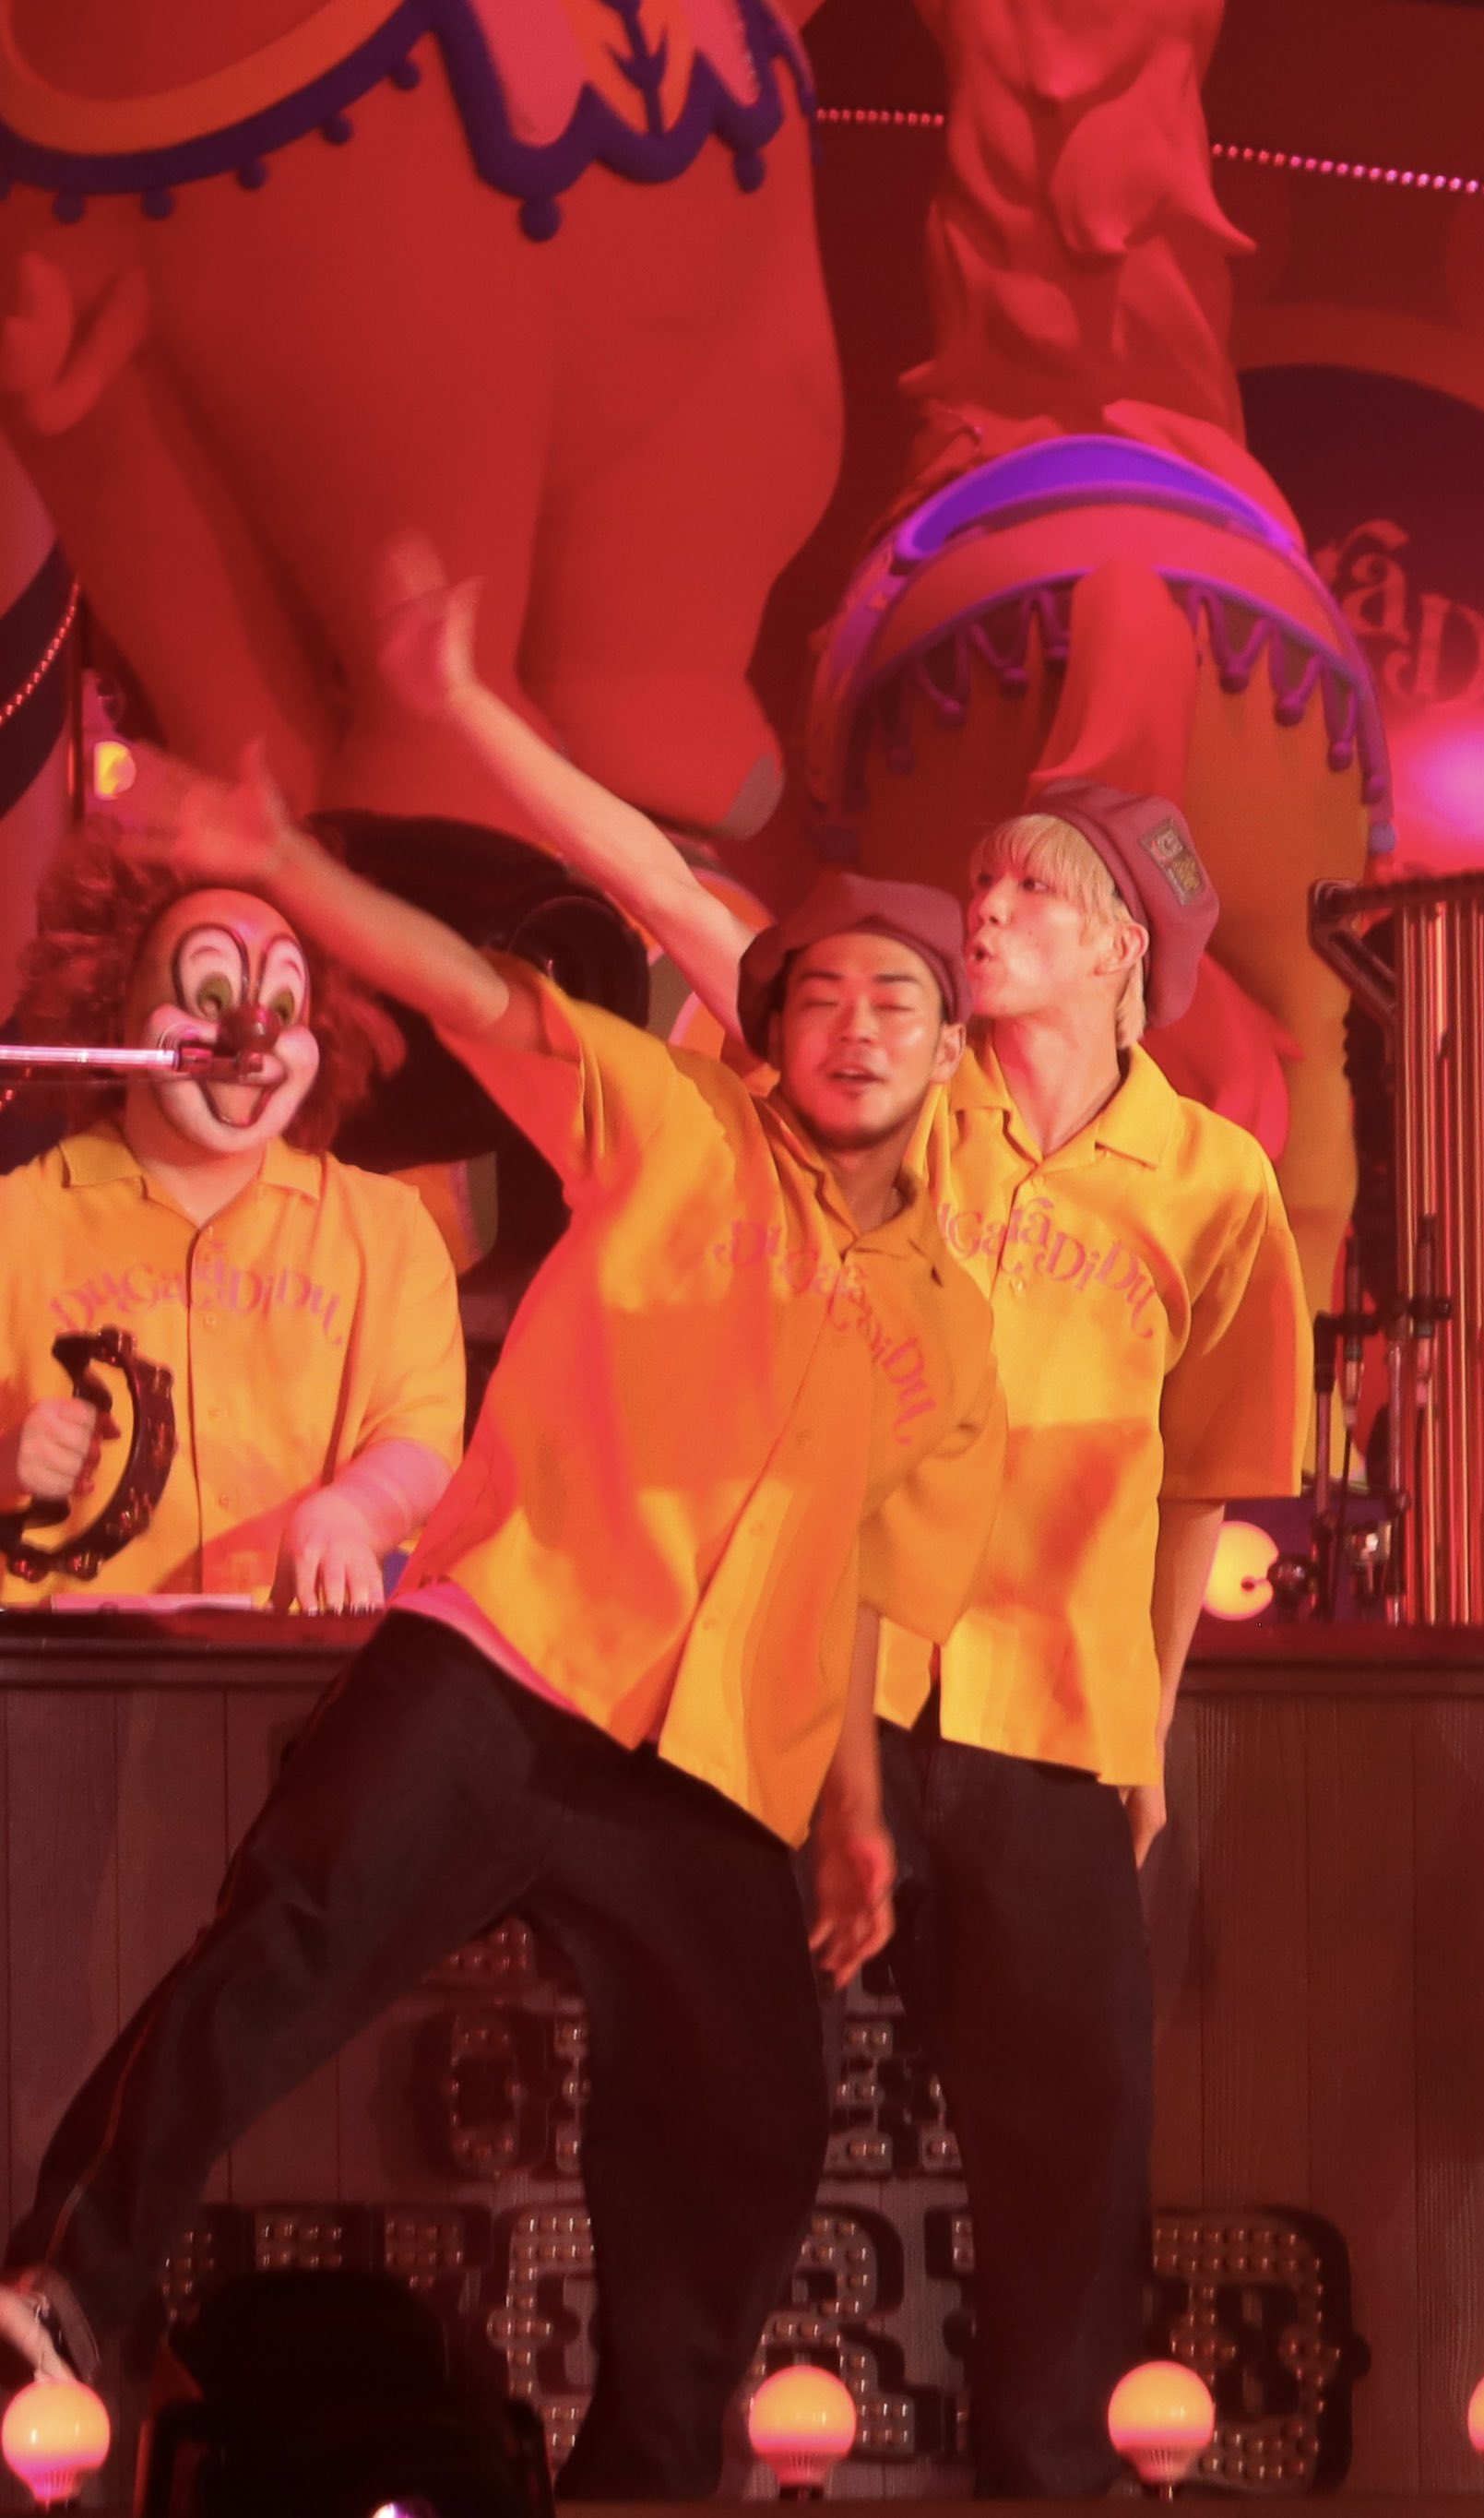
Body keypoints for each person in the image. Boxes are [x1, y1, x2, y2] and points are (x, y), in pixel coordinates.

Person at [377, 545, 1310, 2492]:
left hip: (1051, 1743)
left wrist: (1145, 1735)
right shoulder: (880, 1079)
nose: (985, 914)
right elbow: (665, 890)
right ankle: (645, 2477)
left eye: (1031, 894)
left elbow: (1200, 1485)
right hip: (817, 1706)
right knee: (711, 2117)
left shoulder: (1212, 1188)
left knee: (1069, 2172)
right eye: (982, 885)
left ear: (1125, 947)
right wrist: (468, 708)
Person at [0, 745, 1006, 2502]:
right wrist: (284, 864)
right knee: (284, 1946)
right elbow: (478, 991)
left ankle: (640, 2484)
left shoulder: (950, 1327)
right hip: (499, 1664)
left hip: (704, 1767)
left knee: (746, 2122)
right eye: (822, 997)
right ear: (770, 1028)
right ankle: (58, 2290)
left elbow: (865, 1578)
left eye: (895, 1004)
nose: (856, 1030)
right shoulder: (676, 1122)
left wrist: (853, 1810)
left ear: (946, 1048)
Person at [5, 826, 461, 1608]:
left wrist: (355, 1511)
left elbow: (420, 1435)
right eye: (213, 999)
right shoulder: (17, 1221)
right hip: (61, 1662)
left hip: (298, 1659)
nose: (252, 1033)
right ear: (117, 1012)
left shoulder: (388, 1233)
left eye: (281, 1007)